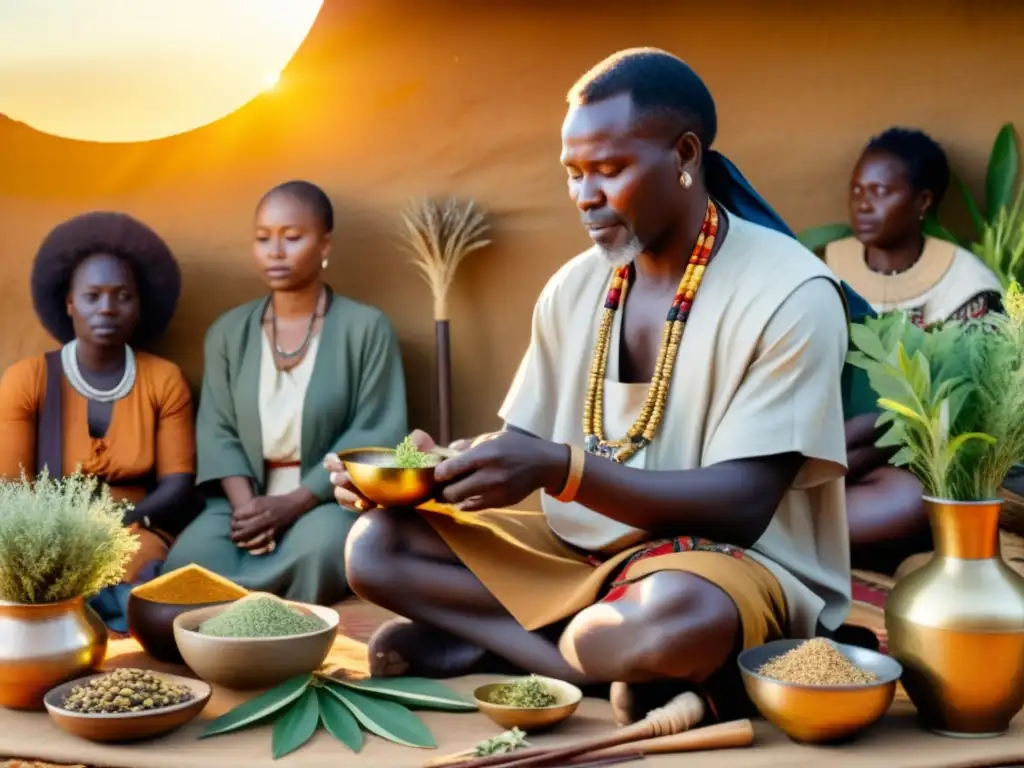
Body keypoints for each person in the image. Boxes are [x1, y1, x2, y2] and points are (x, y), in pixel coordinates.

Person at [328, 49, 853, 724]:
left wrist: (562, 469)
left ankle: (515, 646)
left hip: (722, 563)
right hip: (580, 545)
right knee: (377, 547)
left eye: (609, 170)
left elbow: (743, 505)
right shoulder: (577, 286)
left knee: (661, 626)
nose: (584, 196)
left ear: (685, 154)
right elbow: (524, 443)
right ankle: (594, 670)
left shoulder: (791, 291)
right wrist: (434, 469)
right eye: (574, 173)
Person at [163, 181, 408, 605]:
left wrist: (296, 501)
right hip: (245, 499)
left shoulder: (365, 328)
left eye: (292, 237)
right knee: (185, 566)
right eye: (263, 238)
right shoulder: (227, 332)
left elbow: (373, 429)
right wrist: (247, 509)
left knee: (321, 555)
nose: (275, 251)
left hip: (326, 498)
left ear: (325, 243)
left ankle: (277, 633)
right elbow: (217, 429)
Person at [0, 211, 196, 585]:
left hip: (136, 527)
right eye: (92, 296)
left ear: (139, 306)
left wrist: (115, 521)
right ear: (70, 304)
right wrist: (65, 529)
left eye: (123, 296)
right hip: (45, 528)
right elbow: (9, 487)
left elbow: (177, 484)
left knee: (138, 567)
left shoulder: (164, 379)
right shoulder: (28, 379)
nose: (107, 308)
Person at [825, 127, 1003, 328]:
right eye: (857, 190)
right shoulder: (825, 272)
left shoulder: (964, 283)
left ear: (923, 201)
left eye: (880, 191)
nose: (863, 205)